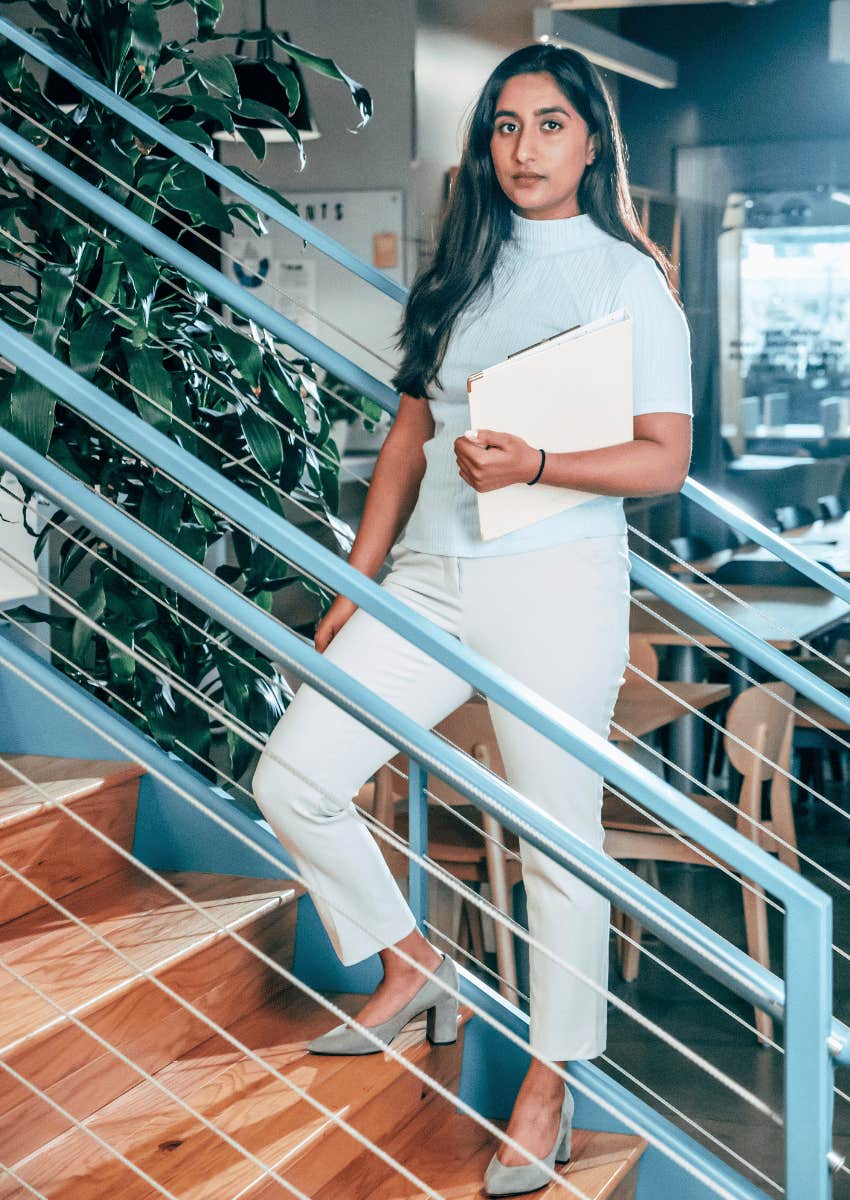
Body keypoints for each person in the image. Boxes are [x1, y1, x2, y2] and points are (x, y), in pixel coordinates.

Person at [252, 41, 692, 1196]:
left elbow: (666, 460)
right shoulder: (460, 272)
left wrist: (542, 459)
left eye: (549, 124)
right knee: (293, 776)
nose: (522, 147)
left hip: (556, 587)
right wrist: (355, 584)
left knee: (558, 846)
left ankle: (548, 1086)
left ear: (592, 140)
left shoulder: (625, 279)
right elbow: (406, 440)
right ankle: (412, 961)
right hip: (429, 586)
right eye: (503, 126)